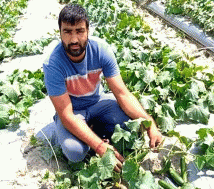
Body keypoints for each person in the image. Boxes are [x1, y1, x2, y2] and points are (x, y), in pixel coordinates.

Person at [43, 4, 162, 172]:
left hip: (98, 102)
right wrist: (99, 146)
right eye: (67, 32)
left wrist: (151, 126)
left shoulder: (101, 50)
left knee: (132, 127)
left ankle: (91, 130)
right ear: (60, 33)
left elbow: (122, 94)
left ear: (88, 31)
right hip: (72, 111)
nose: (74, 39)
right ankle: (83, 134)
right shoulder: (53, 63)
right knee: (74, 151)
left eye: (79, 31)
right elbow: (67, 114)